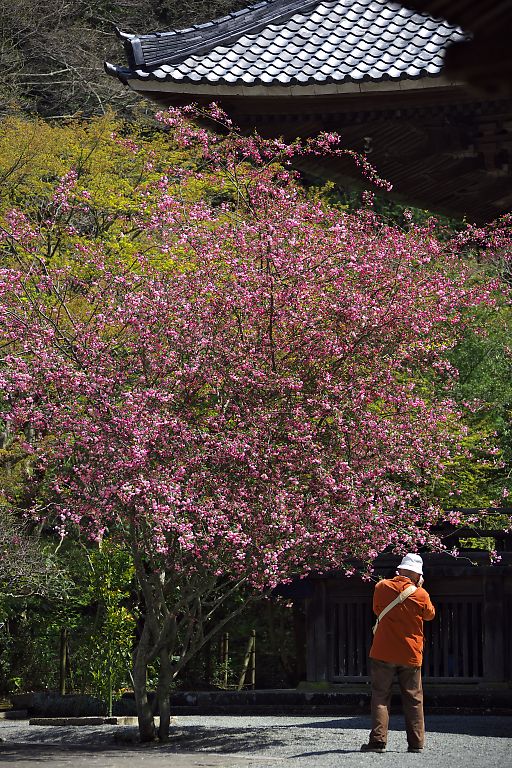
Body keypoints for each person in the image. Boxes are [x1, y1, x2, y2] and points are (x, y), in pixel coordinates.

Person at [360, 553, 435, 754]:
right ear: (417, 575)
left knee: (380, 696)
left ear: (400, 570)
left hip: (383, 650)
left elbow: (377, 610)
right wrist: (419, 588)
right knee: (413, 698)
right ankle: (416, 743)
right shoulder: (421, 594)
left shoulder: (381, 587)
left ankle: (377, 742)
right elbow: (430, 615)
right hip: (410, 653)